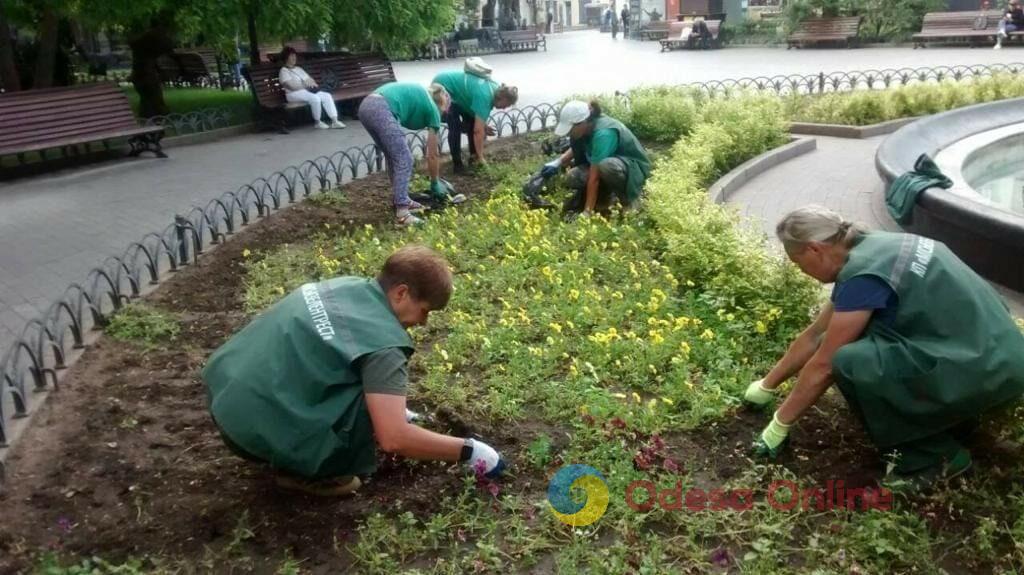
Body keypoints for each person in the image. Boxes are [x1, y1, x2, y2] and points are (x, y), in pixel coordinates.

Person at [746, 206, 1024, 489]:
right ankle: (952, 427)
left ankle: (929, 459)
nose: (801, 272)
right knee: (874, 339)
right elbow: (816, 334)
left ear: (815, 249)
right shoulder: (878, 248)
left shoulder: (862, 276)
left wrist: (781, 422)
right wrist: (767, 386)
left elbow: (824, 363)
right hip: (999, 355)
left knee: (852, 361)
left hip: (983, 368)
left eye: (797, 263)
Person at [203, 245, 506, 497]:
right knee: (352, 462)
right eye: (425, 311)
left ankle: (279, 436)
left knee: (355, 381)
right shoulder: (384, 344)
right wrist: (470, 451)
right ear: (401, 293)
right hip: (250, 434)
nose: (424, 323)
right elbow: (394, 439)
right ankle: (300, 471)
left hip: (224, 393)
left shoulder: (344, 286)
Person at [540, 100, 651, 220]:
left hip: (632, 168)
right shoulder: (586, 127)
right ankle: (606, 196)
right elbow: (579, 146)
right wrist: (558, 162)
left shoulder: (603, 134)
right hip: (607, 164)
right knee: (573, 177)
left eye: (571, 129)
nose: (569, 133)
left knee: (607, 166)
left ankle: (629, 201)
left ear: (582, 123)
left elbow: (594, 178)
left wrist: (587, 212)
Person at [358, 82, 449, 227]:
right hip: (381, 108)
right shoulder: (432, 109)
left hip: (367, 105)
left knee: (393, 156)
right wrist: (435, 182)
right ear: (441, 104)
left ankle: (401, 199)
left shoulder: (423, 96)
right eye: (444, 112)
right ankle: (402, 213)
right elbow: (432, 155)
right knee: (404, 158)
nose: (442, 116)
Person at [431, 68, 519, 173]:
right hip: (444, 87)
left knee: (472, 122)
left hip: (460, 94)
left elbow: (477, 114)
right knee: (455, 125)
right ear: (502, 98)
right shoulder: (485, 97)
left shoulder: (496, 90)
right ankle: (458, 165)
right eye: (507, 105)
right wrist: (482, 157)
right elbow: (478, 131)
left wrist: (483, 125)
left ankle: (474, 158)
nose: (505, 108)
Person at [277, 47, 345, 129]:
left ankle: (335, 121)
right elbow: (292, 86)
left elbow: (311, 81)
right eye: (291, 55)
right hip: (293, 94)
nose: (294, 57)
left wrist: (305, 84)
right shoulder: (284, 71)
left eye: (294, 55)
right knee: (315, 98)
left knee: (327, 96)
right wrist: (305, 84)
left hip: (306, 91)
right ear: (286, 57)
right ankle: (318, 122)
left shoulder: (299, 69)